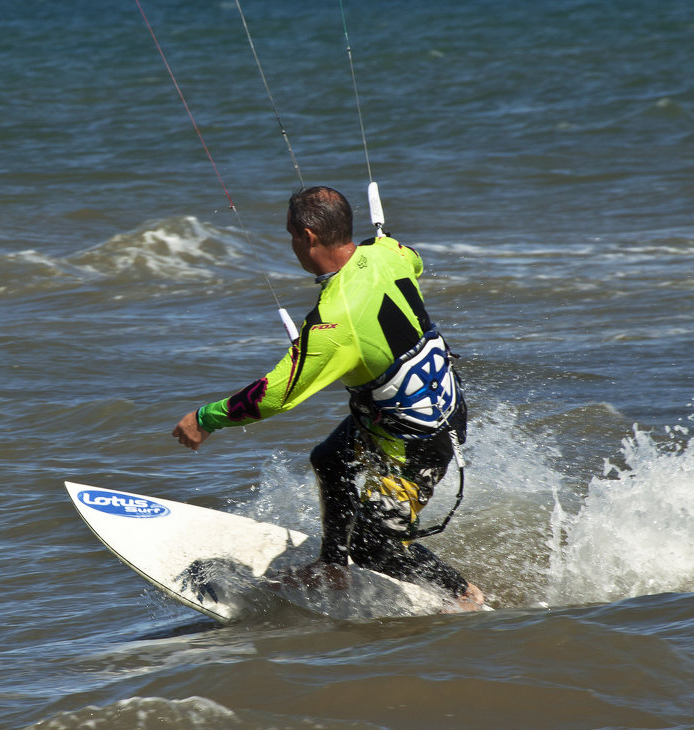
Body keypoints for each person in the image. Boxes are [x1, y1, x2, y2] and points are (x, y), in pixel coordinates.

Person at [171, 185, 485, 610]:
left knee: (377, 547)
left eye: (289, 235)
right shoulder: (386, 252)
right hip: (425, 405)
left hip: (417, 442)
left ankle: (463, 595)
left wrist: (205, 418)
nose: (291, 245)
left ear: (307, 236)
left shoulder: (335, 323)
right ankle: (333, 568)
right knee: (330, 459)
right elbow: (414, 257)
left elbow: (275, 395)